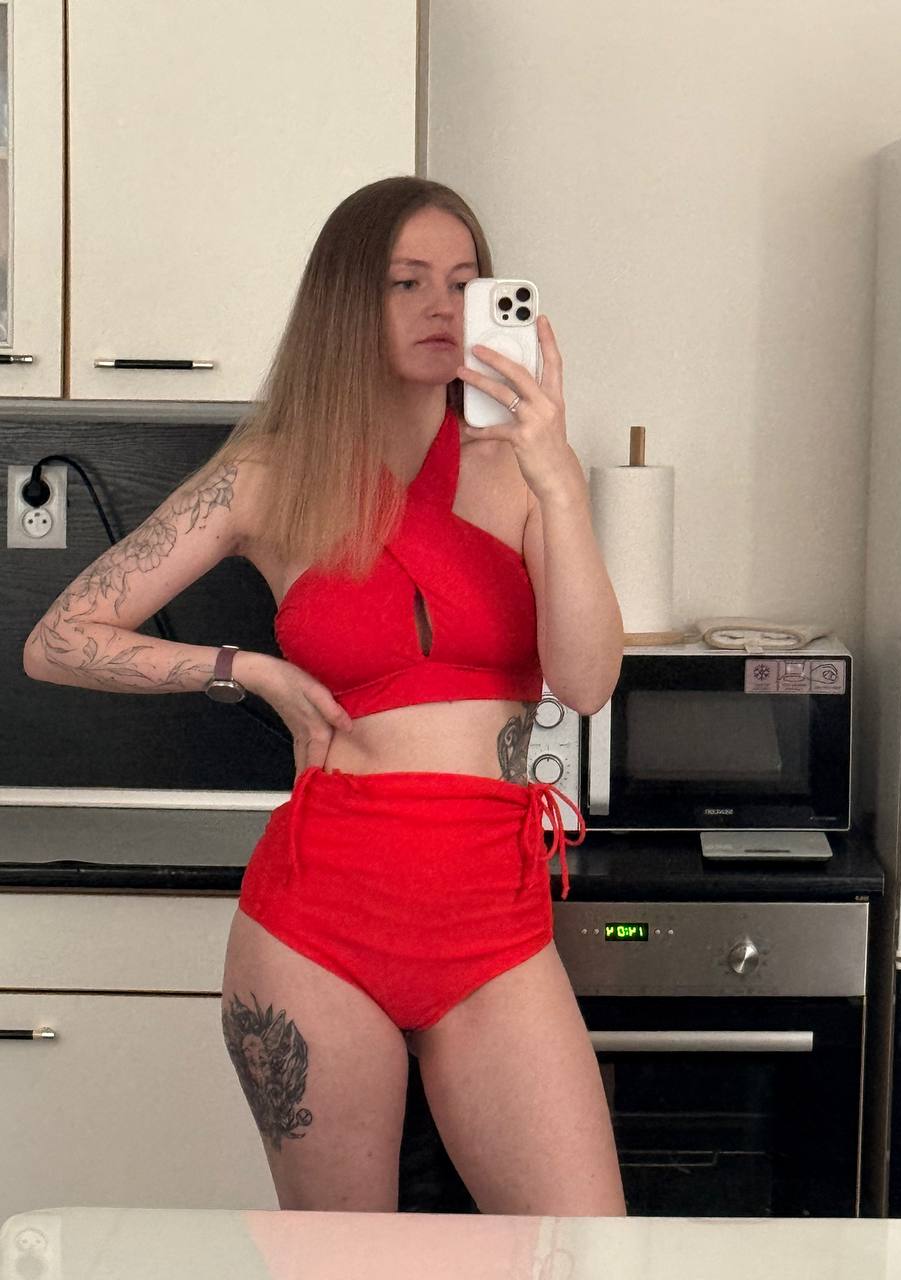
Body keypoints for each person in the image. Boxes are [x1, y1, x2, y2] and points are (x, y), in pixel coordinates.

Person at [22, 176, 626, 1216]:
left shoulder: (524, 472)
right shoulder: (270, 472)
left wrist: (560, 480)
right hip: (320, 922)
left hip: (495, 917)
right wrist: (243, 667)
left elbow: (587, 679)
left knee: (586, 1255)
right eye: (406, 282)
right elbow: (59, 639)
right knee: (342, 1263)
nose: (443, 307)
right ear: (348, 300)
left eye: (465, 282)